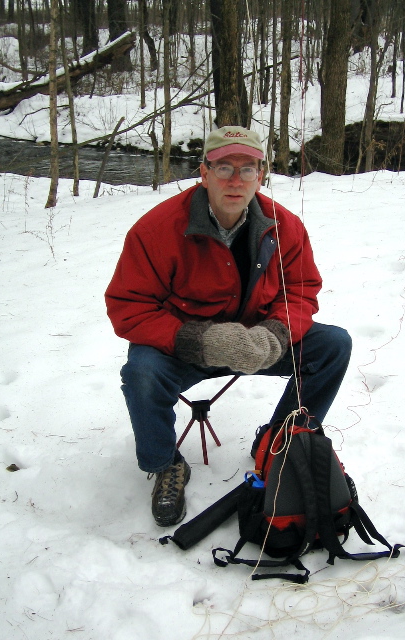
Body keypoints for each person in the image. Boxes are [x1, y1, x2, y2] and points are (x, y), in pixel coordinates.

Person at [105, 125, 351, 527]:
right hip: (185, 348)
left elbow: (302, 290)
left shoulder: (284, 226)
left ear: (262, 173)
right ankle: (165, 464)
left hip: (258, 341)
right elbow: (128, 306)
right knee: (142, 373)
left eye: (248, 168)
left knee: (333, 346)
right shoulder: (157, 230)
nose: (236, 180)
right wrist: (194, 339)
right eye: (224, 168)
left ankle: (281, 441)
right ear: (203, 172)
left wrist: (275, 333)